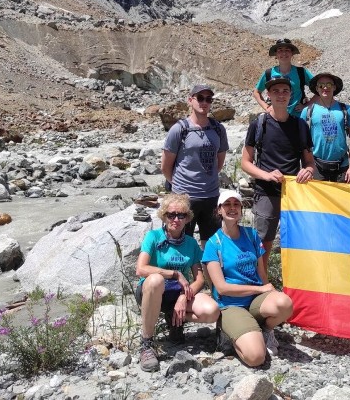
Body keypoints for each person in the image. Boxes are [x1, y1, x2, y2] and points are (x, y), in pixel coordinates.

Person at [202, 190, 293, 367]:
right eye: (227, 204)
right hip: (231, 304)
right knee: (256, 358)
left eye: (236, 204)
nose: (232, 208)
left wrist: (269, 289)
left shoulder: (251, 235)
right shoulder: (214, 244)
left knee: (284, 303)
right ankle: (228, 335)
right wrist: (261, 289)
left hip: (254, 300)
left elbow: (261, 273)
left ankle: (265, 329)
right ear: (219, 210)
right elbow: (222, 288)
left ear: (242, 209)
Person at [135, 194, 220, 372]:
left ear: (187, 218)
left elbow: (199, 279)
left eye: (181, 215)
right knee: (156, 280)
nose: (176, 219)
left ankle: (174, 321)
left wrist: (183, 297)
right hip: (151, 291)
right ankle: (147, 343)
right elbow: (141, 269)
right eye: (171, 215)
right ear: (163, 217)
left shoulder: (191, 243)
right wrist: (174, 274)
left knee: (212, 312)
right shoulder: (153, 236)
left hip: (178, 294)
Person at [242, 75, 315, 268]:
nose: (281, 95)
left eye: (285, 91)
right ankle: (262, 282)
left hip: (295, 193)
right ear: (268, 95)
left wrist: (308, 171)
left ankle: (296, 284)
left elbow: (309, 162)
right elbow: (245, 162)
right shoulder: (259, 125)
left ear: (291, 95)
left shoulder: (300, 126)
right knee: (264, 241)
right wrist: (266, 175)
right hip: (267, 192)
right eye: (276, 91)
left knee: (297, 243)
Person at [161, 84, 229, 248]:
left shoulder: (218, 129)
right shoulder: (179, 129)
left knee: (212, 245)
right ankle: (181, 274)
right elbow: (165, 166)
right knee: (180, 243)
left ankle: (206, 273)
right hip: (184, 198)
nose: (204, 102)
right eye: (200, 98)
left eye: (208, 99)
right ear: (190, 100)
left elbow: (218, 163)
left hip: (211, 196)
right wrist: (179, 185)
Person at [299, 72, 350, 183]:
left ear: (334, 87)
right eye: (321, 85)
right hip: (316, 167)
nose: (325, 87)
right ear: (317, 88)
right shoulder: (307, 111)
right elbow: (302, 141)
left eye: (329, 84)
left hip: (342, 167)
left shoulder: (346, 109)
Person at [252, 38, 314, 116]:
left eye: (287, 50)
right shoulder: (269, 73)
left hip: (299, 117)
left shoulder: (301, 72)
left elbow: (319, 88)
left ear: (292, 53)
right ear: (276, 55)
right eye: (280, 50)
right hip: (276, 117)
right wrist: (267, 107)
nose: (284, 53)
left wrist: (306, 105)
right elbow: (256, 92)